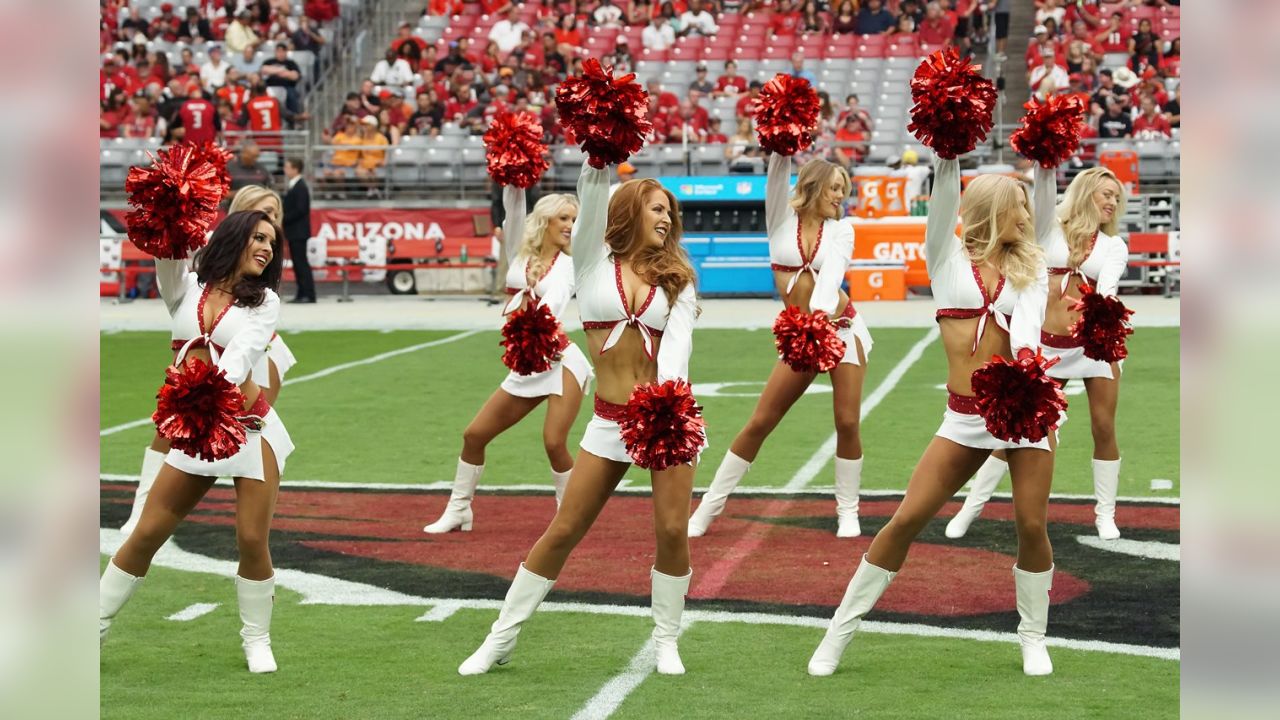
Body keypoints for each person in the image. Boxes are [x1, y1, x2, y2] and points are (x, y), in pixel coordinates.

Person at [808, 154, 1057, 678]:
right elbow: (946, 202)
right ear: (992, 208)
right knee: (907, 518)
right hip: (964, 416)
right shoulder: (946, 258)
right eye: (1019, 203)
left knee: (1031, 524)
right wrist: (948, 153)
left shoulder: (1030, 267)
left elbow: (1030, 329)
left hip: (1023, 412)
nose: (1029, 212)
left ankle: (1034, 636)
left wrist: (1031, 378)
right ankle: (839, 630)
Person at [457, 159, 702, 677]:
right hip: (610, 421)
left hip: (665, 417)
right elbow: (591, 200)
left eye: (669, 212)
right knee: (565, 526)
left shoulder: (678, 279)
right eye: (657, 208)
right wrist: (598, 158)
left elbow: (677, 351)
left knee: (673, 528)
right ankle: (499, 638)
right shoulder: (590, 262)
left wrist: (666, 407)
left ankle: (666, 641)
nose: (666, 218)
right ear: (630, 210)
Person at [101, 210, 294, 674]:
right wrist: (173, 206)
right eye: (258, 238)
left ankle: (257, 640)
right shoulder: (184, 287)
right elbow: (168, 251)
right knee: (147, 531)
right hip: (194, 428)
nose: (267, 248)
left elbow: (245, 353)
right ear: (233, 238)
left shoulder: (263, 301)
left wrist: (208, 392)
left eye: (272, 243)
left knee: (251, 537)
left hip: (246, 426)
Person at [690, 153, 872, 537]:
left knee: (848, 421)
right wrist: (781, 147)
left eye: (844, 189)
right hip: (800, 335)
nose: (841, 196)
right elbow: (777, 175)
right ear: (814, 185)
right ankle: (707, 508)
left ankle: (848, 511)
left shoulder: (843, 230)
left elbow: (832, 276)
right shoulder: (780, 221)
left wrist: (820, 319)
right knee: (761, 421)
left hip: (838, 328)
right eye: (835, 187)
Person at [947, 164, 1129, 542]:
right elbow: (1043, 199)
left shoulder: (1113, 246)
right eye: (1105, 193)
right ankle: (971, 507)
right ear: (1084, 193)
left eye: (1116, 197)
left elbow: (1108, 287)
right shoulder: (1048, 232)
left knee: (1104, 426)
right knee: (1018, 428)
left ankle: (1105, 514)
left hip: (1092, 345)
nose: (1112, 202)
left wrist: (1104, 316)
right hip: (1046, 346)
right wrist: (1045, 166)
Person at [119, 183, 300, 537]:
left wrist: (215, 388)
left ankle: (238, 495)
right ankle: (142, 510)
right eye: (263, 217)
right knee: (168, 430)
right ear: (240, 217)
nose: (270, 232)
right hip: (204, 364)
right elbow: (176, 273)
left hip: (250, 356)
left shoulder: (265, 300)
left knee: (245, 421)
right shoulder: (203, 275)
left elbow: (244, 359)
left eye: (276, 220)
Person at [423, 187, 591, 533]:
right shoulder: (519, 250)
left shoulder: (572, 265)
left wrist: (535, 328)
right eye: (563, 218)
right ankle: (459, 511)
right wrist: (514, 180)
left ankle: (569, 517)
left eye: (574, 220)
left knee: (554, 441)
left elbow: (555, 305)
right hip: (526, 364)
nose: (570, 226)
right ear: (544, 220)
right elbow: (513, 206)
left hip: (560, 361)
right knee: (474, 435)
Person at [282, 158, 315, 303]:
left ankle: (308, 294)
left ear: (295, 169)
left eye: (288, 167)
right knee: (298, 264)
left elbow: (301, 209)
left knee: (301, 264)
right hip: (295, 231)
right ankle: (302, 293)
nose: (285, 169)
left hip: (298, 232)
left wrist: (283, 218)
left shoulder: (300, 186)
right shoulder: (295, 185)